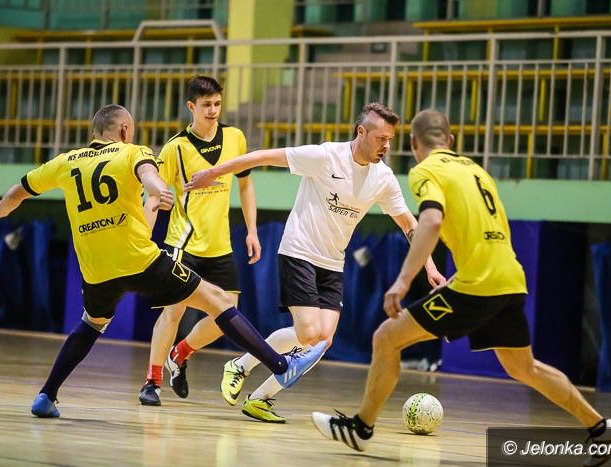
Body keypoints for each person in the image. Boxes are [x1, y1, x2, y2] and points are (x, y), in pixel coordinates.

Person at [311, 109, 611, 466]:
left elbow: (430, 220)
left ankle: (361, 428)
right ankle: (601, 428)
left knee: (386, 338)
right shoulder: (477, 171)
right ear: (451, 140)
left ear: (413, 143)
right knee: (524, 367)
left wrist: (403, 281)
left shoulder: (426, 170)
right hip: (510, 278)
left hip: (477, 284)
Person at [0, 104, 326, 418]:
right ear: (124, 130)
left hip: (96, 270)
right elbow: (148, 174)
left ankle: (46, 395)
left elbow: (19, 190)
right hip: (139, 260)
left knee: (91, 324)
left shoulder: (65, 161)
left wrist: (0, 209)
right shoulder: (133, 152)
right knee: (218, 300)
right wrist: (158, 188)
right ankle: (282, 366)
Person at [183, 103, 446, 423]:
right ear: (361, 132)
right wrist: (212, 173)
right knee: (308, 333)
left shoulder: (383, 178)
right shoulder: (325, 156)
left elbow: (409, 224)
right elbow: (261, 156)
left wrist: (430, 266)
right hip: (300, 251)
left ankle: (260, 397)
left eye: (390, 139)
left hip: (333, 263)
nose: (387, 146)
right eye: (381, 138)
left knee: (322, 340)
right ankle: (240, 366)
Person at [138, 76, 262, 406]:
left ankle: (180, 354)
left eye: (217, 104)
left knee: (228, 316)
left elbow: (245, 185)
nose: (213, 110)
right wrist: (144, 237)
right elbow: (155, 196)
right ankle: (152, 382)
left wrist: (252, 230)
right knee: (173, 313)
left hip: (220, 245)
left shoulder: (235, 137)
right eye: (206, 105)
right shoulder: (175, 148)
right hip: (183, 243)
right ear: (191, 107)